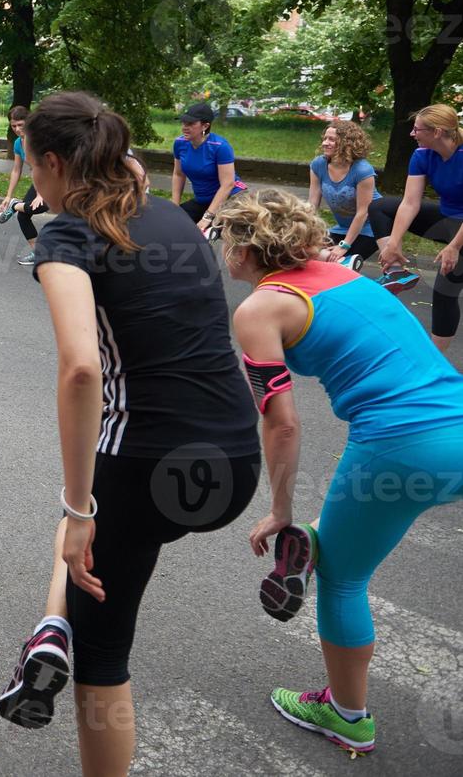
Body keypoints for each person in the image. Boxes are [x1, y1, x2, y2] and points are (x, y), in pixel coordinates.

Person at [0, 92, 260, 777]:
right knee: (99, 542)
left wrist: (81, 508)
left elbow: (81, 368)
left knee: (102, 641)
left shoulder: (66, 235)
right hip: (232, 459)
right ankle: (51, 626)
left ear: (51, 161)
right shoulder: (171, 216)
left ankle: (60, 629)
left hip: (143, 465)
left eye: (31, 165)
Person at [218, 189, 463, 756]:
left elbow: (281, 425)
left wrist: (279, 509)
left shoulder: (259, 309)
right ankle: (320, 535)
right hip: (456, 423)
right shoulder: (340, 274)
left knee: (344, 577)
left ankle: (346, 714)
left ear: (248, 249)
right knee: (345, 536)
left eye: (227, 240)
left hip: (401, 445)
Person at [371, 104, 463, 352]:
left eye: (417, 129)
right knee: (380, 207)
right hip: (448, 219)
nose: (412, 134)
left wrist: (454, 247)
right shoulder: (422, 155)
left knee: (445, 289)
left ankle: (436, 362)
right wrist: (393, 243)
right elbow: (410, 203)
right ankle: (397, 272)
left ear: (438, 132)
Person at [306, 121, 383, 269]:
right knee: (309, 254)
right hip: (342, 228)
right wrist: (308, 234)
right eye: (325, 138)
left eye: (332, 140)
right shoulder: (318, 165)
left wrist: (344, 246)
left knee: (339, 267)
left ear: (348, 143)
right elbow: (312, 204)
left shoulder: (362, 170)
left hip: (371, 229)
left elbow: (363, 212)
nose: (325, 143)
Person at [171, 101, 247, 237]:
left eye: (190, 124)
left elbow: (227, 184)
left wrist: (207, 218)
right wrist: (174, 205)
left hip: (231, 199)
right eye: (183, 123)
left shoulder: (220, 146)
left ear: (205, 126)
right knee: (173, 223)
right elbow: (178, 174)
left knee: (208, 234)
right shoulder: (180, 143)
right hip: (203, 200)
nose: (184, 127)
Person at [0, 106, 47, 264]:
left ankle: (15, 205)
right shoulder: (19, 143)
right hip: (40, 179)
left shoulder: (39, 139)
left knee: (40, 206)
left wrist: (40, 195)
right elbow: (17, 170)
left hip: (56, 179)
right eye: (13, 126)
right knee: (24, 215)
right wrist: (8, 195)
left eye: (20, 125)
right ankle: (38, 253)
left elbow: (41, 167)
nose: (17, 129)